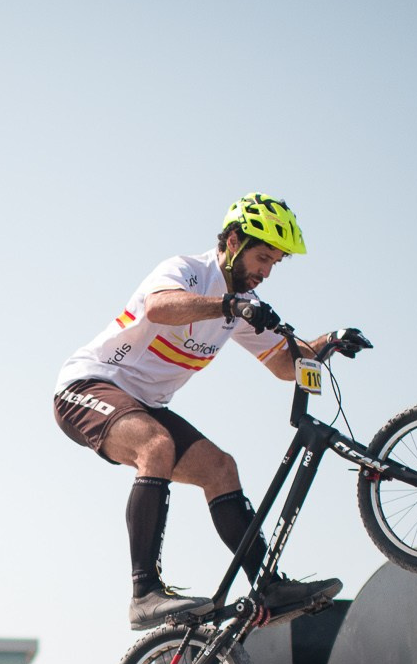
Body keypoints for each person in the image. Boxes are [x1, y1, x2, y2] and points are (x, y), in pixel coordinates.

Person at [53, 193, 361, 628]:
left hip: (145, 405)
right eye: (262, 257)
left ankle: (268, 584)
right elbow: (160, 306)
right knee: (155, 445)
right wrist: (229, 305)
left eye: (275, 263)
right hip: (88, 385)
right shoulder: (188, 271)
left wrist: (328, 342)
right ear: (233, 241)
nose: (266, 272)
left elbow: (282, 364)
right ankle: (144, 593)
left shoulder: (238, 307)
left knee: (220, 468)